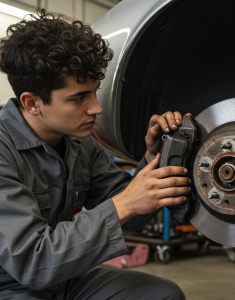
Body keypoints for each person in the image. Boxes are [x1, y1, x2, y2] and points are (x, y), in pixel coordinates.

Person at [0, 10, 190, 300]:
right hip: (11, 284)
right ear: (32, 102)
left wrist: (158, 157)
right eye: (78, 98)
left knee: (162, 294)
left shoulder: (79, 142)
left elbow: (133, 215)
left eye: (93, 92)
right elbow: (32, 264)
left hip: (63, 279)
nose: (96, 108)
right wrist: (124, 203)